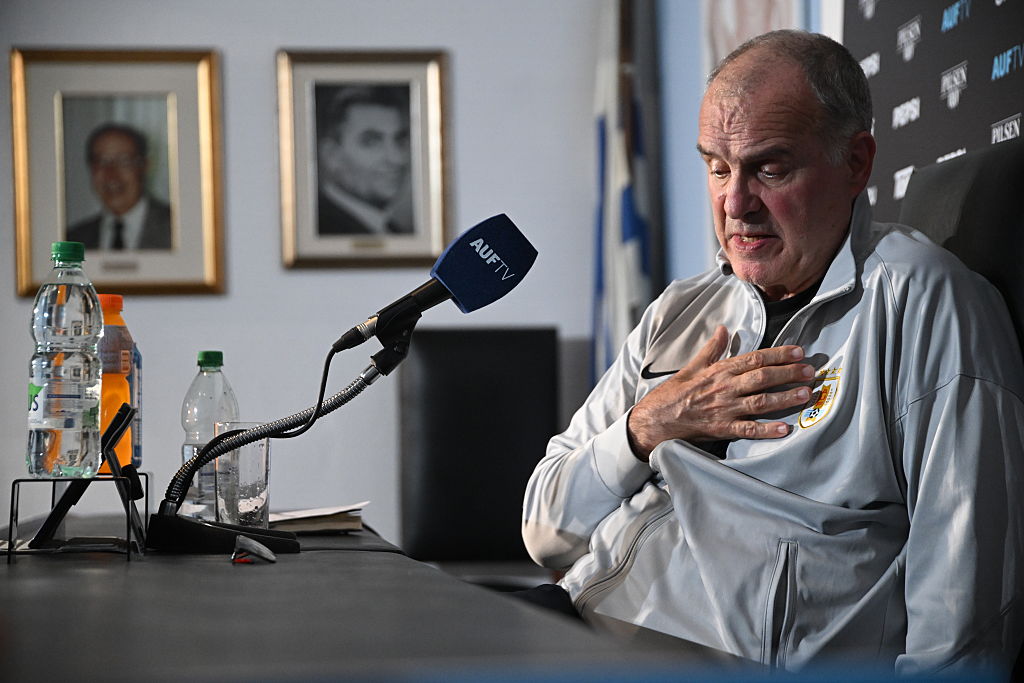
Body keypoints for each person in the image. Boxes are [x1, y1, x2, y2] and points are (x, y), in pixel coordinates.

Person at [522, 30, 1024, 676]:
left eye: (770, 168)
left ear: (857, 163)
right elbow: (545, 529)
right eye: (717, 167)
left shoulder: (925, 304)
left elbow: (963, 613)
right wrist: (647, 426)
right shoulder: (681, 309)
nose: (736, 204)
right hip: (573, 619)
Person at [315, 85, 413, 236]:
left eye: (400, 140)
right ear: (332, 155)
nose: (396, 158)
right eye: (371, 142)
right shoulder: (325, 228)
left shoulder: (391, 230)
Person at [66, 122, 172, 250]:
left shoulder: (177, 230)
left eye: (123, 161)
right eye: (101, 162)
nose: (111, 174)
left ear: (144, 166)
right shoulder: (74, 240)